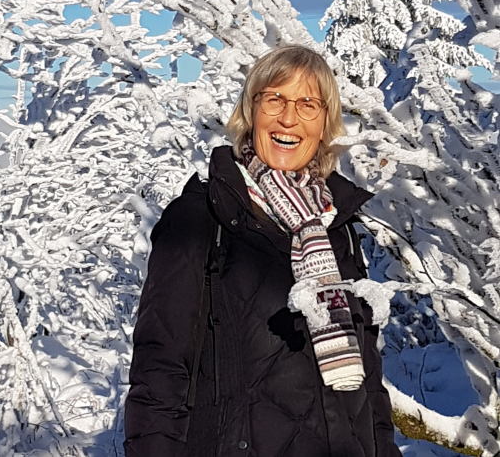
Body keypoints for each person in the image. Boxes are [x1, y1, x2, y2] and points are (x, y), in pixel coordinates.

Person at [124, 44, 402, 456]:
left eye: (308, 103)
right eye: (275, 99)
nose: (289, 118)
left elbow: (366, 378)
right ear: (251, 110)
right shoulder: (201, 218)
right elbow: (160, 373)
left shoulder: (335, 224)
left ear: (326, 122)